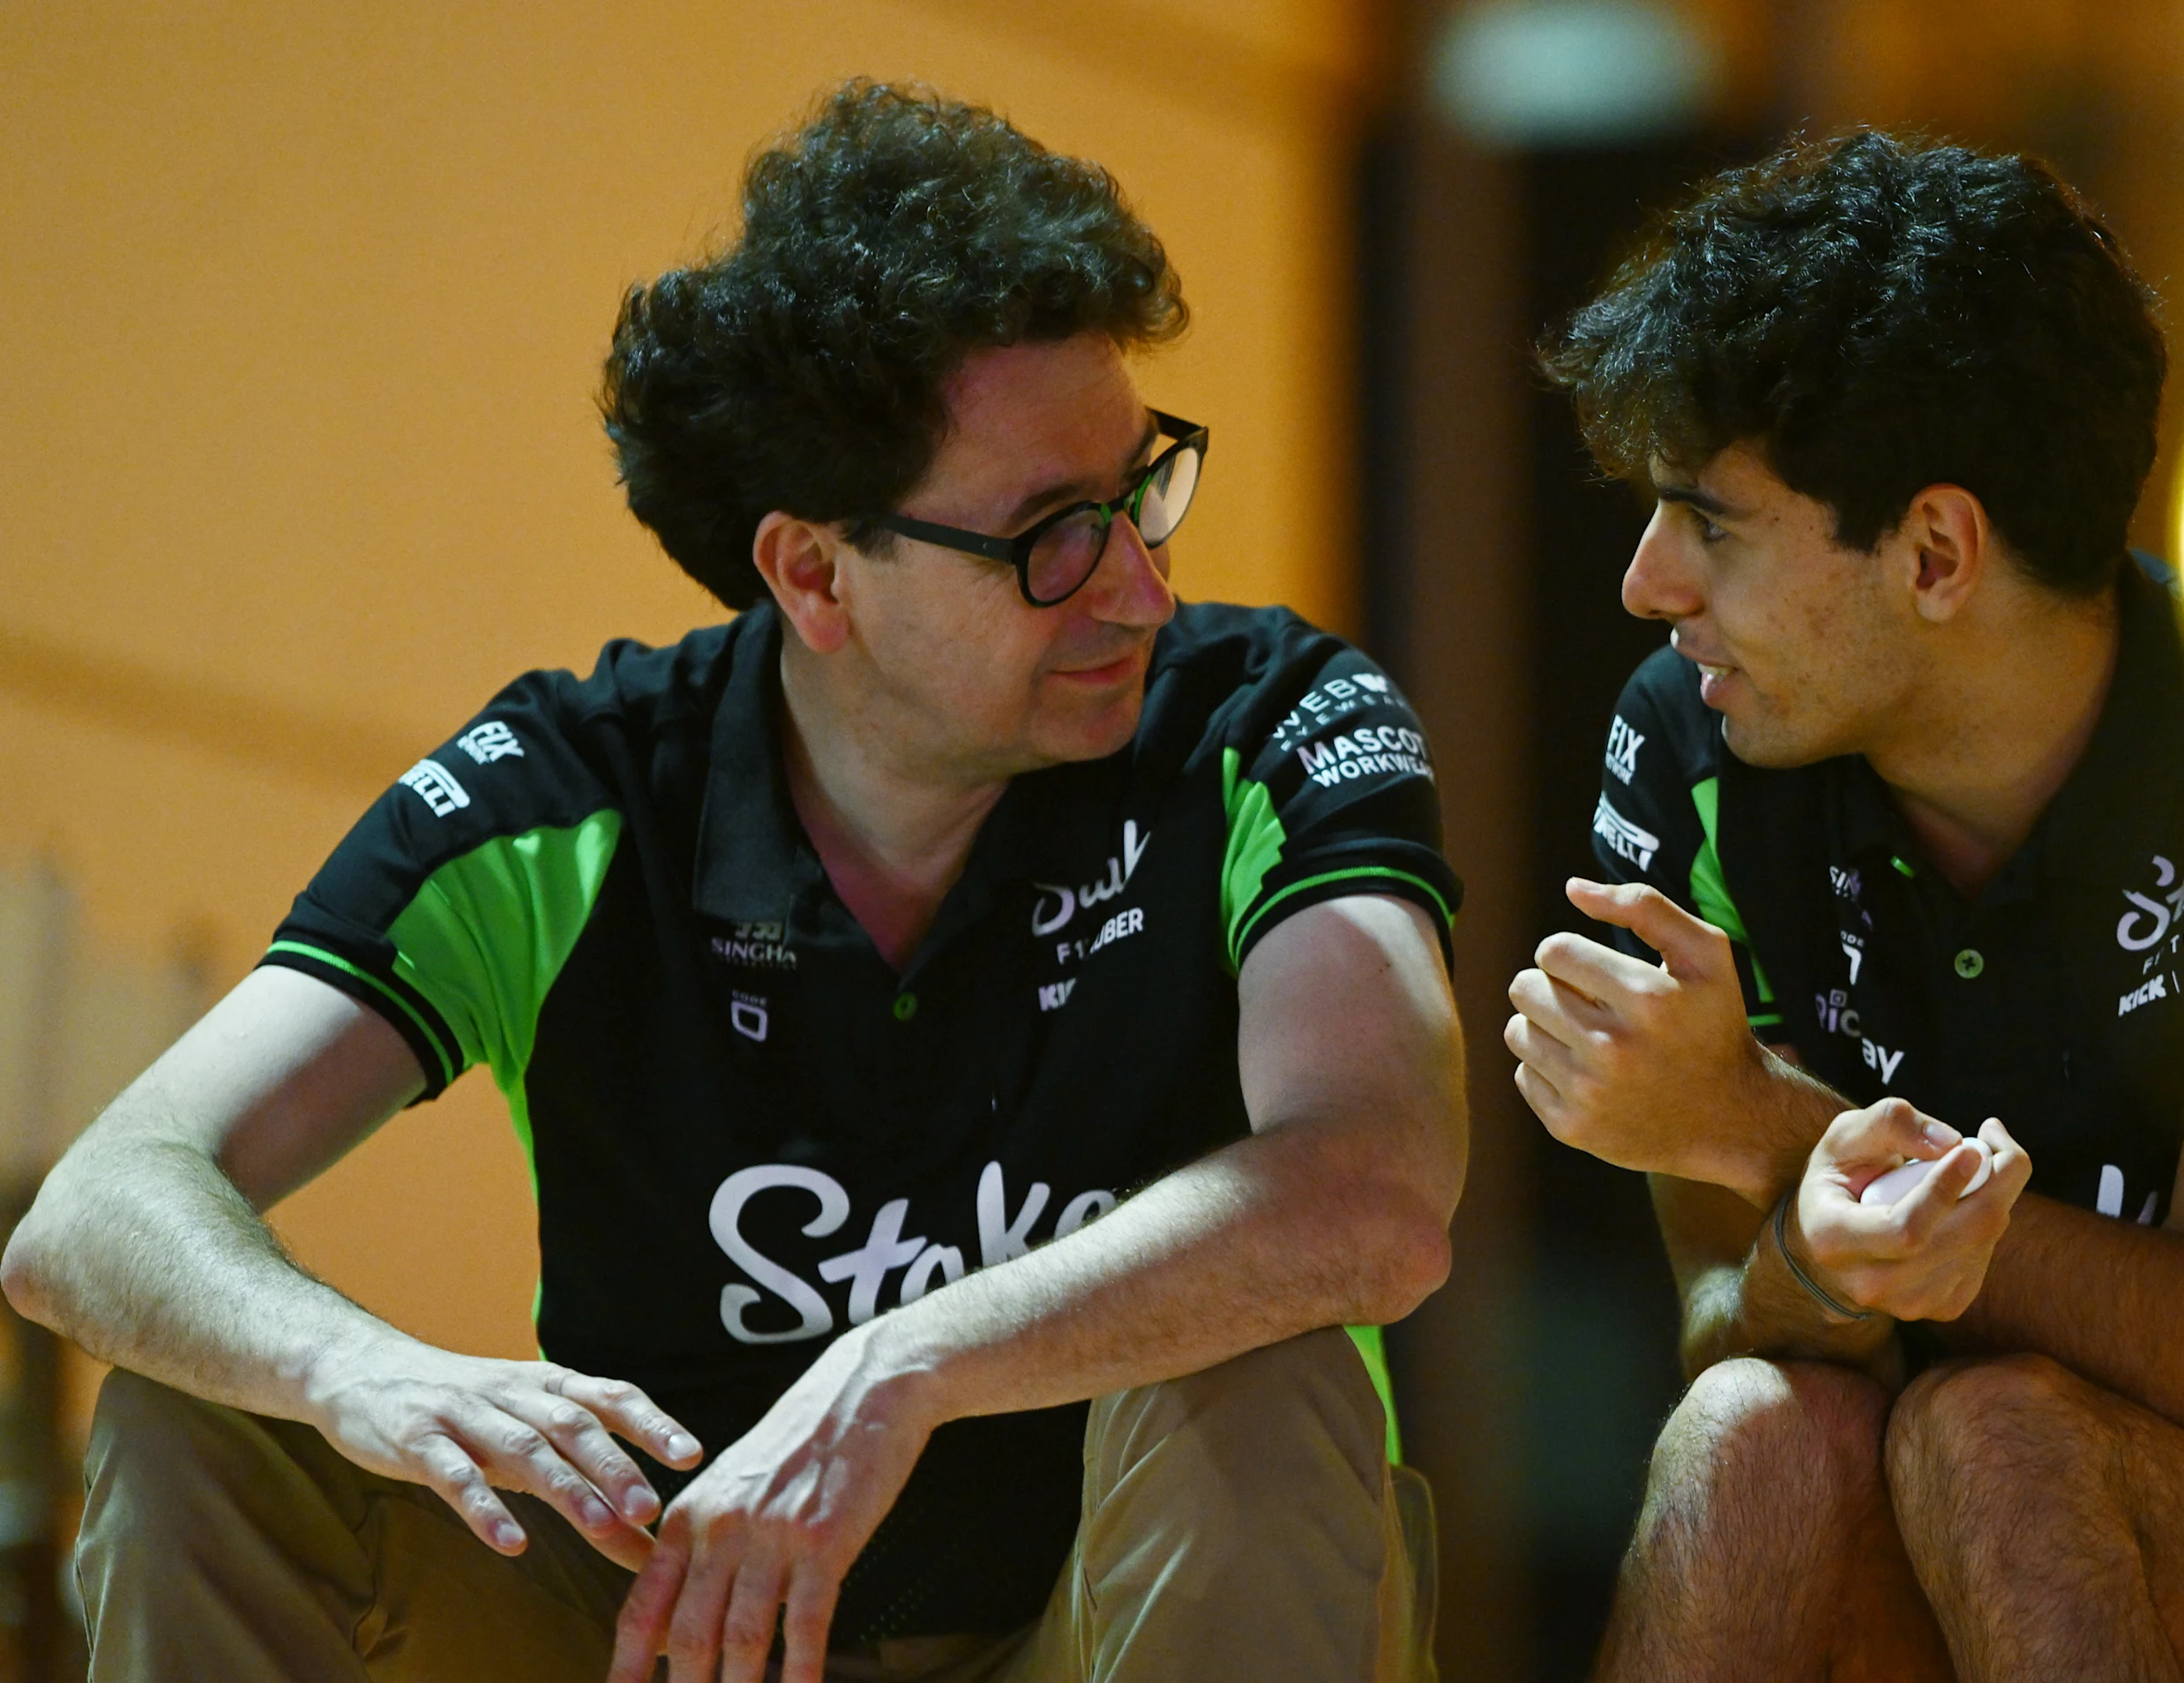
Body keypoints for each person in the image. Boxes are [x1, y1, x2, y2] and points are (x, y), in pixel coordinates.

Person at [3, 83, 1463, 1683]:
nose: (1139, 582)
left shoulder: (1260, 714)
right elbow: (101, 1207)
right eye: (1052, 535)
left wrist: (903, 1362)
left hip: (1091, 1624)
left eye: (1143, 487)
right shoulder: (582, 784)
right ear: (816, 573)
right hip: (671, 1634)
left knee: (1270, 1377)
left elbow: (1375, 1189)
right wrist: (356, 1368)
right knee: (201, 1408)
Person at [1508, 133, 2184, 1680]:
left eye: (1710, 522)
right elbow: (1720, 1322)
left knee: (1998, 1437)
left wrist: (1754, 1121)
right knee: (1753, 1434)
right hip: (1925, 1544)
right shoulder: (1693, 738)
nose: (1646, 581)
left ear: (1934, 553)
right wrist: (1819, 1272)